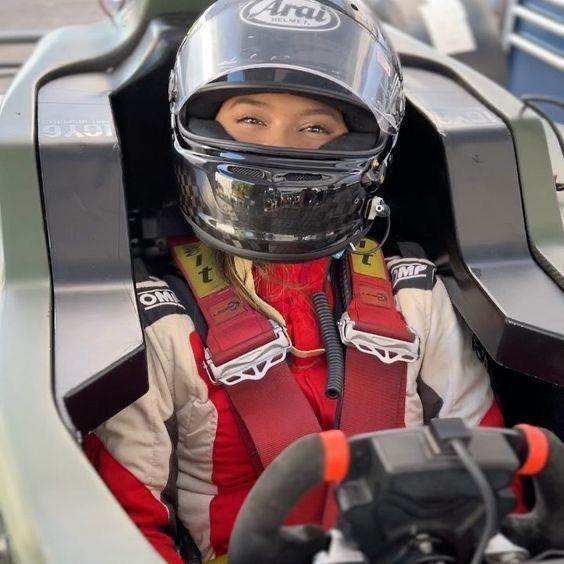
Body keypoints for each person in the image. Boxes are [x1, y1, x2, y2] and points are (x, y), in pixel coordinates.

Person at [84, 0, 506, 562]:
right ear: (202, 126)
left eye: (313, 128)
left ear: (363, 148)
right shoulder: (160, 324)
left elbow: (489, 469)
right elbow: (123, 523)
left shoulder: (414, 293)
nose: (277, 148)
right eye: (251, 119)